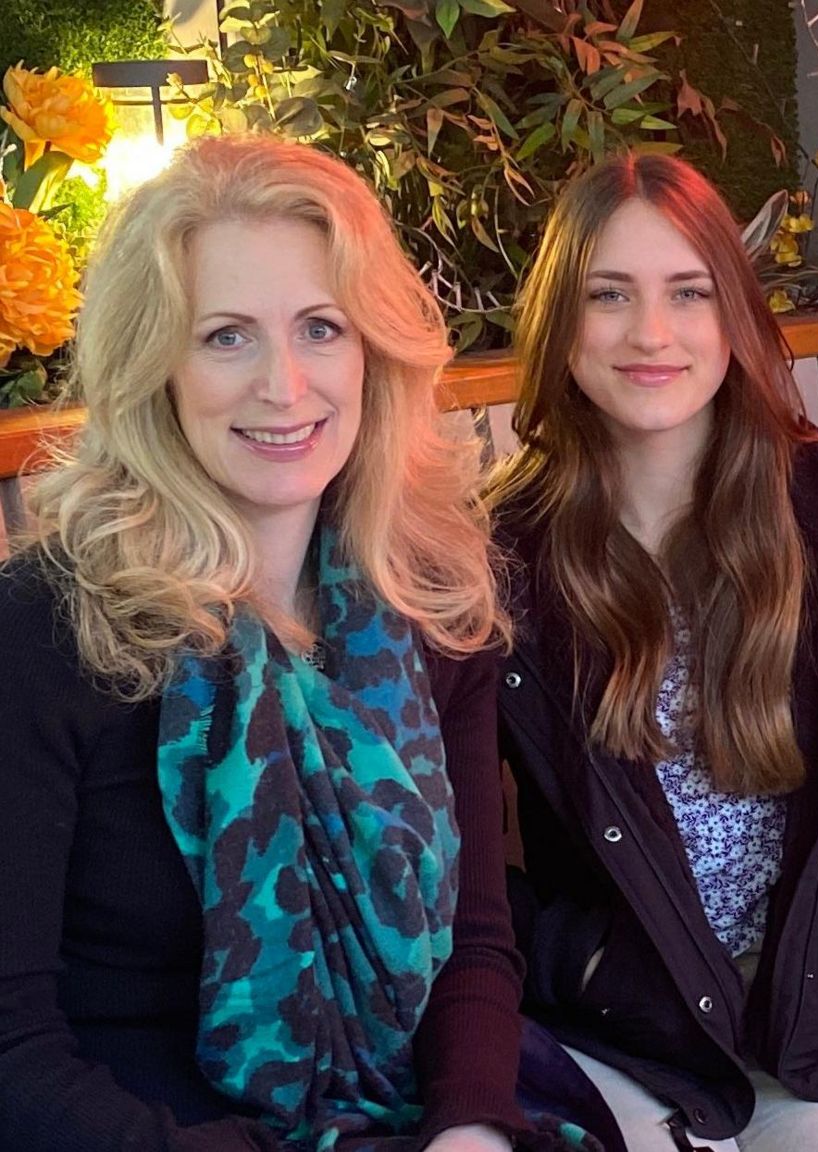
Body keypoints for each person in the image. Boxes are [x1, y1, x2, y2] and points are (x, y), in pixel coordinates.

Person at [0, 134, 561, 1151]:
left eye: (319, 327)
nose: (285, 385)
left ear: (373, 353)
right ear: (153, 364)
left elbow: (475, 945)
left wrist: (471, 1126)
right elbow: (11, 1054)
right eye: (225, 336)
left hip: (398, 1119)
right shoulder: (42, 628)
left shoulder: (434, 602)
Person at [488, 152, 818, 1152]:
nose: (650, 333)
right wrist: (570, 958)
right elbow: (453, 844)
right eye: (606, 295)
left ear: (733, 317)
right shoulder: (502, 565)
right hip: (621, 1027)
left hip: (807, 1022)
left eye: (687, 294)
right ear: (560, 326)